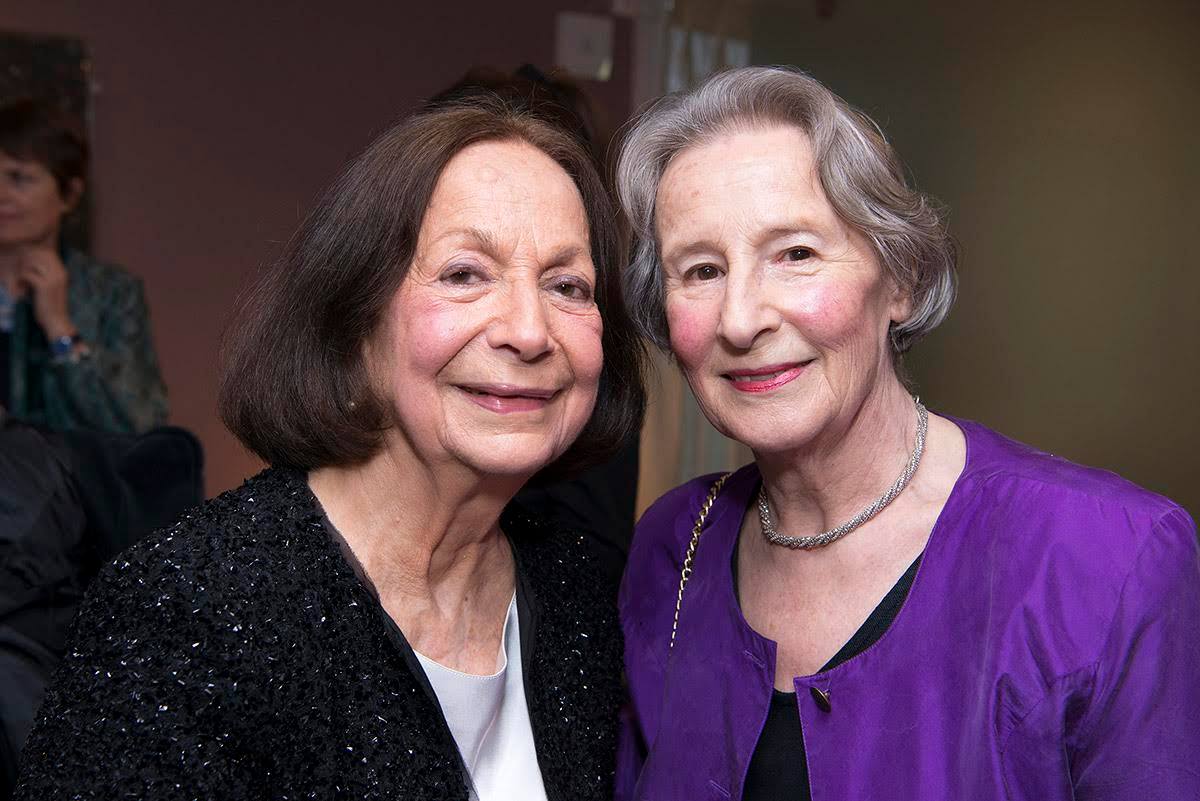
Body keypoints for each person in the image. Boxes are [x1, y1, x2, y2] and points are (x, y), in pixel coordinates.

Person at [15, 92, 644, 800]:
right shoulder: (187, 609)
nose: (529, 332)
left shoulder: (581, 591)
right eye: (465, 274)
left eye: (567, 285)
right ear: (354, 324)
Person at [614, 66, 1200, 801]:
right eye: (700, 270)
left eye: (795, 254)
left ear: (901, 282)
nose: (740, 319)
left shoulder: (1109, 559)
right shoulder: (672, 546)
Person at [0, 98, 167, 434]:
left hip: (73, 483)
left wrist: (60, 328)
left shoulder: (112, 292)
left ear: (70, 194)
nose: (0, 193)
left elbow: (141, 421)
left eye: (19, 179)